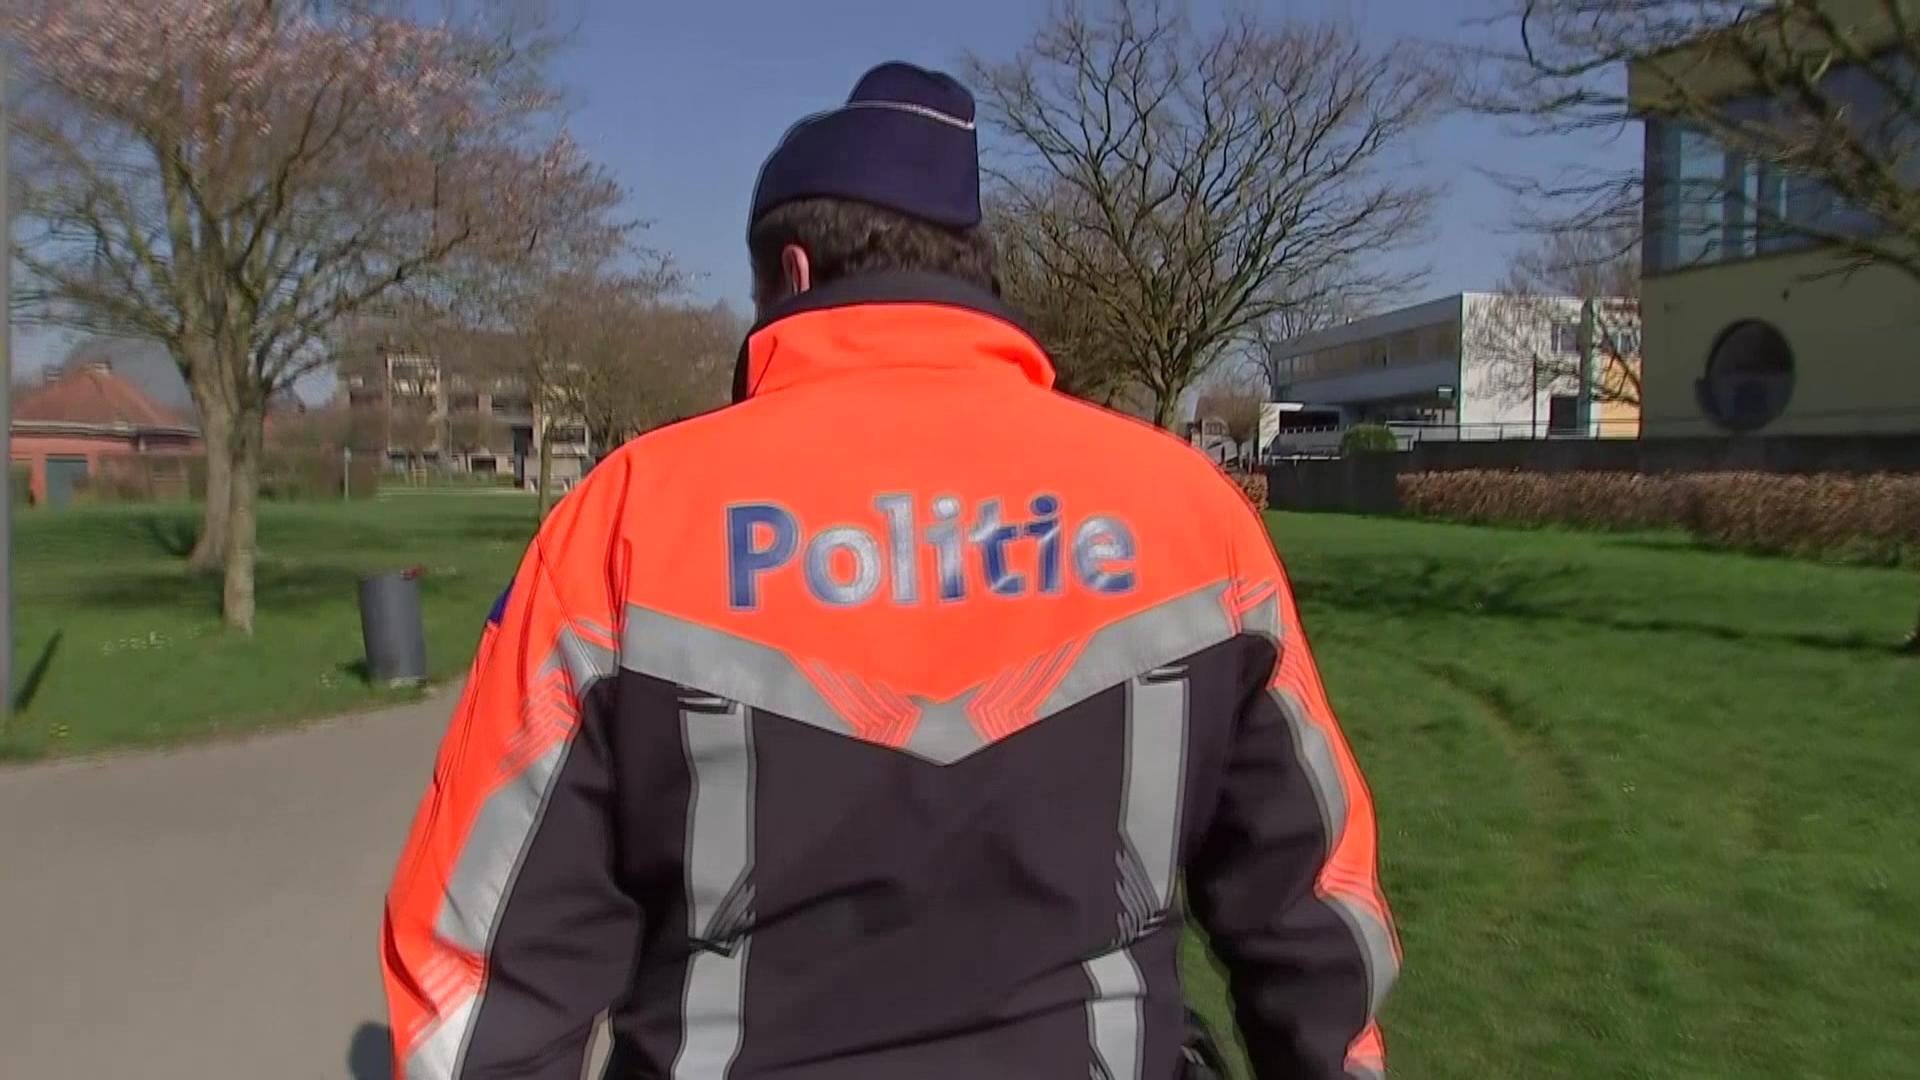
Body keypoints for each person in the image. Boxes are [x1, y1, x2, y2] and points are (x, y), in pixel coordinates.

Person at [380, 61, 1398, 1080]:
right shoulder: (1189, 512)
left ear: (793, 273)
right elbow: (1313, 914)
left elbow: (480, 963)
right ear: (975, 274)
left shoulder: (625, 518)